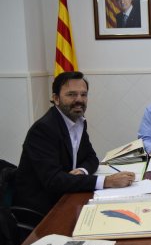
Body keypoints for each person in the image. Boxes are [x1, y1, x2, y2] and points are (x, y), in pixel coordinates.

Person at [14, 71, 135, 216]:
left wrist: (82, 171)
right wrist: (106, 181)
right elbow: (53, 180)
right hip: (42, 210)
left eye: (83, 94)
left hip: (67, 196)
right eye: (71, 94)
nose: (79, 100)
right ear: (56, 99)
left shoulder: (79, 121)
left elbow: (91, 158)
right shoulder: (43, 129)